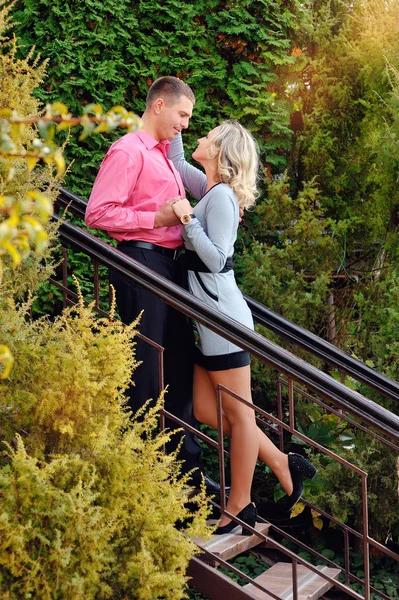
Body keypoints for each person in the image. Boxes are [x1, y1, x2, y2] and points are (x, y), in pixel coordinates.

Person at [168, 120, 317, 533]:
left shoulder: (221, 199)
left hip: (223, 322)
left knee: (241, 415)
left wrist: (185, 219)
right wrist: (173, 116)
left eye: (207, 134)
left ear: (219, 151)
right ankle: (281, 462)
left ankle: (239, 507)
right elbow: (178, 162)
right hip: (210, 320)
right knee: (204, 408)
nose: (199, 134)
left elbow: (217, 258)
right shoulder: (211, 191)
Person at [85, 76, 220, 493]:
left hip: (168, 270)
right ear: (159, 106)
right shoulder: (128, 151)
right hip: (140, 266)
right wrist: (155, 219)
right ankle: (148, 486)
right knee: (147, 376)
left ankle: (186, 483)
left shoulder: (164, 157)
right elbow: (98, 214)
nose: (185, 124)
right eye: (182, 115)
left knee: (177, 372)